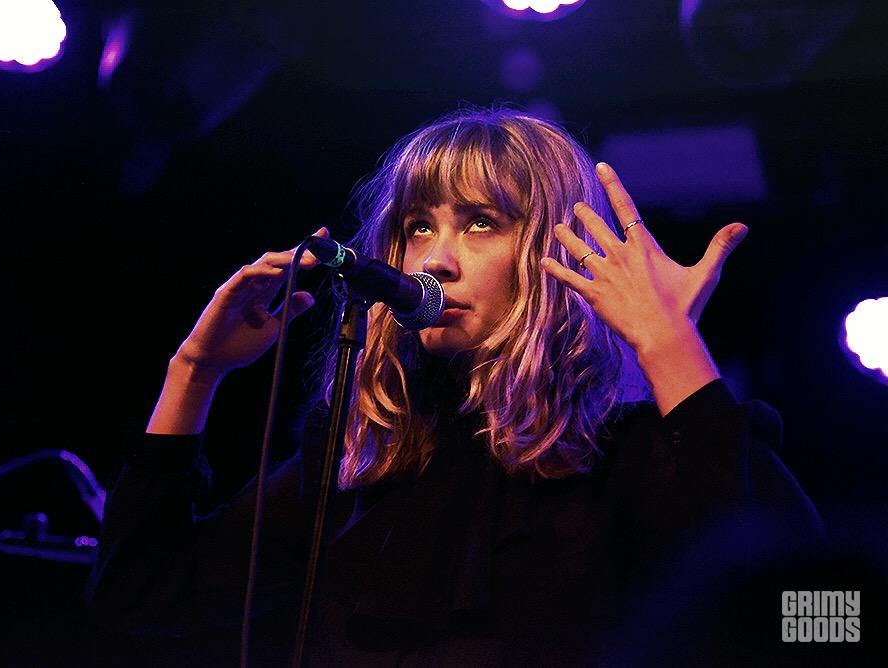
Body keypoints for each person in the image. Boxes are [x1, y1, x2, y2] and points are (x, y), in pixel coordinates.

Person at [87, 108, 822, 665]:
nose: (433, 260)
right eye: (417, 226)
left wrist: (669, 344)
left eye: (480, 223)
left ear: (554, 252)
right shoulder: (364, 460)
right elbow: (142, 594)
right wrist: (194, 372)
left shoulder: (631, 452)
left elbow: (822, 616)